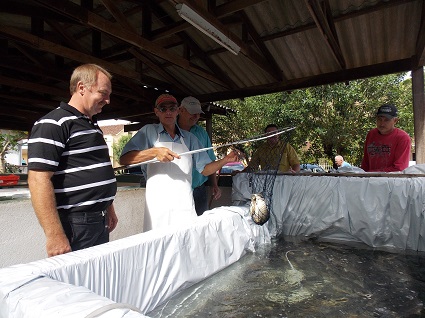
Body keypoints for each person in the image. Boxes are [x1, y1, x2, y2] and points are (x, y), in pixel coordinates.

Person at [27, 64, 118, 257]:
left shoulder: (90, 124)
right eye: (103, 93)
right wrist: (55, 235)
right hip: (76, 226)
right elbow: (38, 180)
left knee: (96, 280)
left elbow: (93, 169)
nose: (108, 100)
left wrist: (108, 206)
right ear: (81, 88)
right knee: (75, 284)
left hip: (98, 221)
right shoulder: (53, 123)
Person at [120, 94, 238, 231]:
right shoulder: (148, 131)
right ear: (156, 112)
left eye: (172, 108)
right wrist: (153, 152)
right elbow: (124, 159)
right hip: (157, 205)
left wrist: (224, 160)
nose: (168, 112)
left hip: (184, 203)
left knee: (186, 241)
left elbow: (205, 169)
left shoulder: (190, 138)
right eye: (163, 109)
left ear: (177, 111)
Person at [177, 96, 221, 216]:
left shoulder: (201, 133)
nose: (196, 116)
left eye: (198, 113)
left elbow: (210, 161)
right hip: (176, 190)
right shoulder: (170, 130)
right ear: (180, 110)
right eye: (192, 112)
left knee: (200, 227)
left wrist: (214, 185)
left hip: (199, 189)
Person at [361, 104, 411, 172]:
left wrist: (371, 173)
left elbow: (399, 168)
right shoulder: (371, 134)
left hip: (392, 180)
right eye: (379, 119)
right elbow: (365, 163)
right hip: (370, 179)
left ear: (395, 120)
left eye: (386, 120)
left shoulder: (403, 138)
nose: (382, 124)